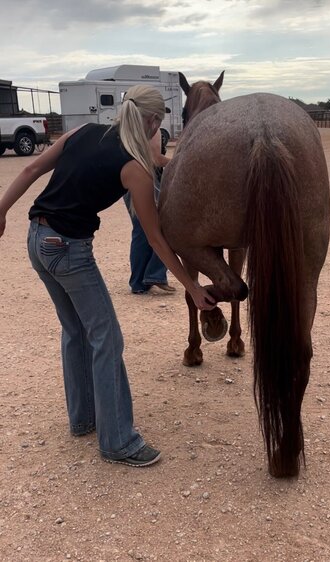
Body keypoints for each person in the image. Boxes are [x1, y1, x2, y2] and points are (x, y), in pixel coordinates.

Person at [0, 84, 215, 468]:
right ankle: (118, 441)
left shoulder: (84, 132)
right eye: (159, 124)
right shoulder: (134, 167)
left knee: (76, 330)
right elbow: (156, 238)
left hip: (36, 238)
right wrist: (192, 285)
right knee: (106, 336)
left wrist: (0, 211)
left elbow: (32, 168)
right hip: (67, 249)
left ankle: (83, 419)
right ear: (152, 122)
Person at [123, 126, 175, 294]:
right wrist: (180, 161)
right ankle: (155, 274)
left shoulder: (125, 128)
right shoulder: (152, 129)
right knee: (166, 228)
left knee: (140, 230)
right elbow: (156, 159)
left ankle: (138, 282)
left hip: (128, 181)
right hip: (148, 180)